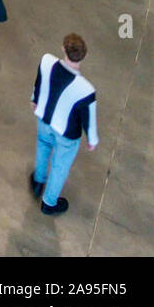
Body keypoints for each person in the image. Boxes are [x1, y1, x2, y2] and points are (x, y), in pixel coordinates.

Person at [30, 34, 99, 216]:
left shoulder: (46, 61)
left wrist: (34, 100)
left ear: (63, 48)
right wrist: (92, 140)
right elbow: (88, 119)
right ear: (84, 56)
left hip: (44, 119)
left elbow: (39, 83)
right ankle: (49, 202)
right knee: (60, 166)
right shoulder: (86, 90)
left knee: (43, 147)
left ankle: (38, 181)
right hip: (67, 134)